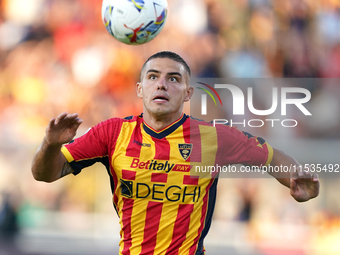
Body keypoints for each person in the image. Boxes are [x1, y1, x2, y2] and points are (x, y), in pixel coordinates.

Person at [31, 51, 319, 255]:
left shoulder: (214, 137)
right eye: (153, 77)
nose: (162, 84)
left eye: (173, 79)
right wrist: (51, 144)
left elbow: (272, 157)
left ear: (188, 93)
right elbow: (44, 174)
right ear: (140, 89)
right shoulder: (113, 133)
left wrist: (296, 179)